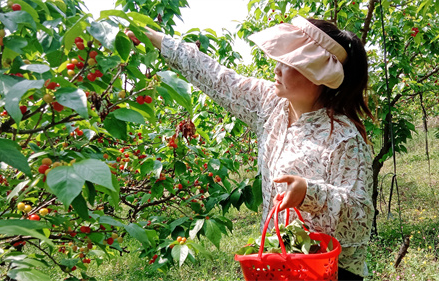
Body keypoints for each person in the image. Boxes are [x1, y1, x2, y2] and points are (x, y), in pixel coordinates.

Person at [145, 16, 373, 280]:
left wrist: (310, 194)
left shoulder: (344, 137)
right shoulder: (271, 105)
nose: (276, 69)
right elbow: (218, 78)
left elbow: (360, 214)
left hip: (330, 269)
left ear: (316, 73)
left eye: (288, 63)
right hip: (282, 262)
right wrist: (160, 41)